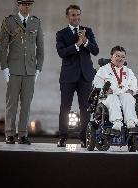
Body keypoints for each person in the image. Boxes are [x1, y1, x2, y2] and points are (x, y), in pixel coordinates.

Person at [0, 0, 44, 145]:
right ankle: (10, 134)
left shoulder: (36, 22)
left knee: (26, 104)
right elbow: (3, 46)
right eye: (24, 4)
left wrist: (39, 68)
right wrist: (4, 67)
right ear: (19, 5)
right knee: (11, 103)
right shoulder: (9, 21)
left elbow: (40, 48)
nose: (26, 7)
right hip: (13, 68)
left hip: (30, 70)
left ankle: (23, 134)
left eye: (29, 4)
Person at [56, 4, 99, 147]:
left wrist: (85, 41)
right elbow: (62, 52)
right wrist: (77, 44)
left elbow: (95, 51)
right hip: (68, 76)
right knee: (65, 107)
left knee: (85, 108)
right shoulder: (61, 34)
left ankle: (84, 137)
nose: (76, 17)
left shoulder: (88, 31)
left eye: (78, 14)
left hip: (86, 76)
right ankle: (63, 136)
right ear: (68, 17)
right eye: (73, 15)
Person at [93, 46, 138, 134]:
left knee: (128, 97)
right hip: (107, 97)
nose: (120, 59)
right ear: (112, 57)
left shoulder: (128, 71)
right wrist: (105, 90)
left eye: (123, 57)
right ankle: (116, 122)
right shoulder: (103, 69)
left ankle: (131, 122)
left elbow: (133, 84)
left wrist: (131, 91)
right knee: (113, 98)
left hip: (123, 95)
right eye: (117, 56)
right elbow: (97, 83)